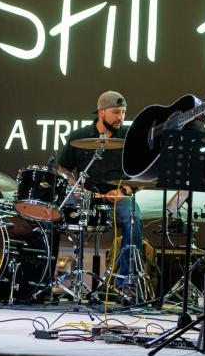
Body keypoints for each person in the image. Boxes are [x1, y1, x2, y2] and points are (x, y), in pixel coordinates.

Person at [58, 91, 146, 284]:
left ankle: (127, 283)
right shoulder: (79, 136)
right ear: (101, 112)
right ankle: (44, 279)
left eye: (123, 112)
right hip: (85, 196)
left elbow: (141, 176)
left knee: (133, 219)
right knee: (51, 213)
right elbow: (64, 169)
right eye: (116, 112)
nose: (120, 117)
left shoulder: (129, 138)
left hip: (118, 197)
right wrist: (75, 188)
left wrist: (124, 191)